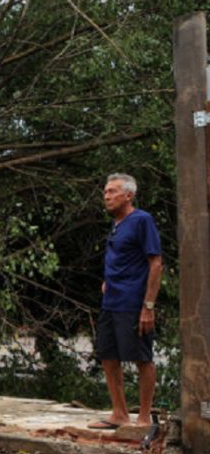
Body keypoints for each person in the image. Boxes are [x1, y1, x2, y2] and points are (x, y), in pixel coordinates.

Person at [89, 173, 162, 429]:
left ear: (128, 195)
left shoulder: (142, 220)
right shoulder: (117, 224)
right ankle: (119, 413)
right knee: (108, 356)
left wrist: (148, 306)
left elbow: (155, 263)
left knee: (142, 358)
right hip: (111, 301)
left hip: (134, 302)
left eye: (112, 191)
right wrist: (108, 280)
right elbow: (123, 258)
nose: (106, 196)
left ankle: (143, 418)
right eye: (105, 192)